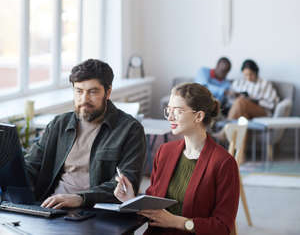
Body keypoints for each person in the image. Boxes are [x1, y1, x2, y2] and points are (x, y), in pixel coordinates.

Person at [114, 83, 240, 234]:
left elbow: (223, 227)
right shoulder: (165, 152)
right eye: (169, 110)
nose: (170, 117)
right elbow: (154, 203)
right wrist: (131, 200)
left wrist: (177, 222)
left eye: (178, 111)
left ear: (199, 116)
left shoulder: (223, 163)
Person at [24, 58, 146, 209]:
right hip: (50, 207)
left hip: (95, 212)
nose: (84, 99)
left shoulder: (130, 130)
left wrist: (81, 198)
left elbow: (127, 185)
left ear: (107, 92)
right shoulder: (59, 124)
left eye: (93, 92)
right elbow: (31, 166)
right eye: (79, 91)